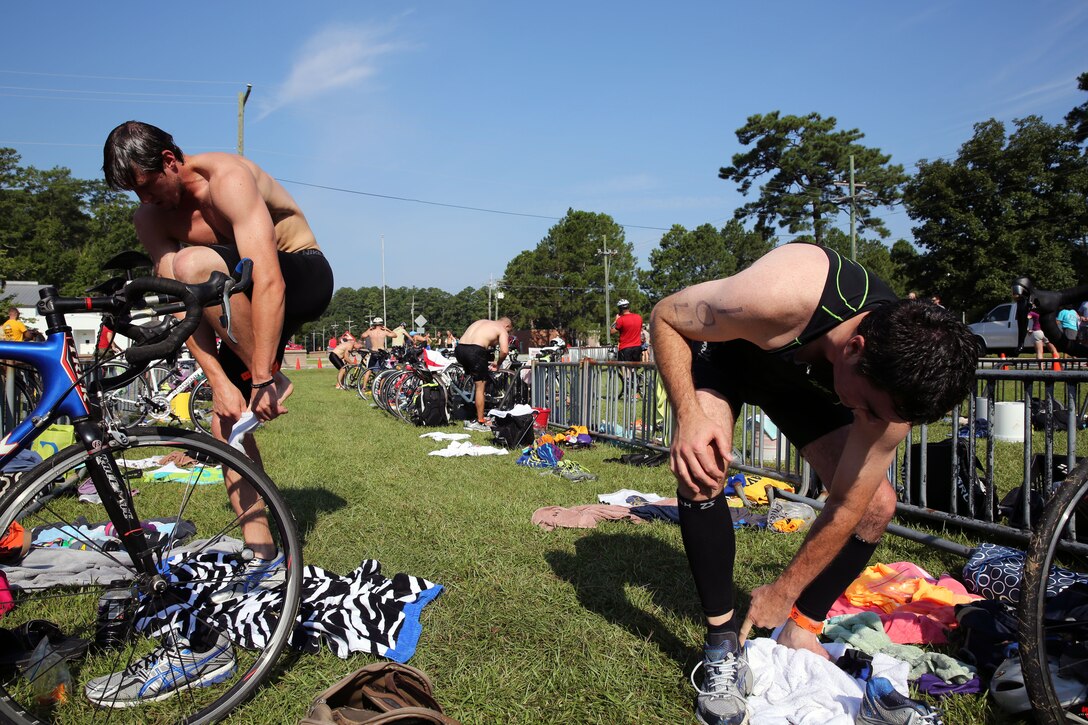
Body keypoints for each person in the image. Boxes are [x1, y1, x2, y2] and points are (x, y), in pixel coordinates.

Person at [650, 243, 975, 725]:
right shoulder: (779, 295)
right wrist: (690, 416)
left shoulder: (890, 398)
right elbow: (664, 317)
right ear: (856, 347)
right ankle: (721, 643)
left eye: (876, 416)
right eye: (866, 409)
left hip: (797, 381)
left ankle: (801, 629)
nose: (866, 421)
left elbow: (848, 503)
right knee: (703, 467)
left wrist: (787, 589)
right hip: (731, 357)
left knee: (876, 505)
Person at [103, 120, 333, 587]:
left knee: (192, 262)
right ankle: (263, 551)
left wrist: (264, 375)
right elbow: (181, 306)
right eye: (134, 194)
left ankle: (267, 373)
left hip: (300, 275)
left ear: (170, 160)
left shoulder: (227, 179)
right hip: (232, 293)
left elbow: (269, 278)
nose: (145, 202)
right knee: (225, 419)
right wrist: (220, 382)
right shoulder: (150, 218)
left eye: (147, 188)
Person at [455, 317, 513, 431]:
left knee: (475, 379)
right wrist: (498, 363)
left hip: (460, 349)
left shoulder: (481, 322)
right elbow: (505, 351)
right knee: (480, 387)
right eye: (509, 331)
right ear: (507, 326)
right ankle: (480, 421)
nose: (507, 333)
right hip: (475, 350)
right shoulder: (502, 330)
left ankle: (470, 410)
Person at [358, 318, 394, 394]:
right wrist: (387, 329)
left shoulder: (371, 332)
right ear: (381, 324)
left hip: (373, 352)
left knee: (369, 370)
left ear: (374, 324)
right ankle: (380, 390)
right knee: (383, 371)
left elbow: (362, 336)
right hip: (381, 352)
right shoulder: (384, 332)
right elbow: (395, 335)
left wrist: (369, 329)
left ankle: (363, 388)